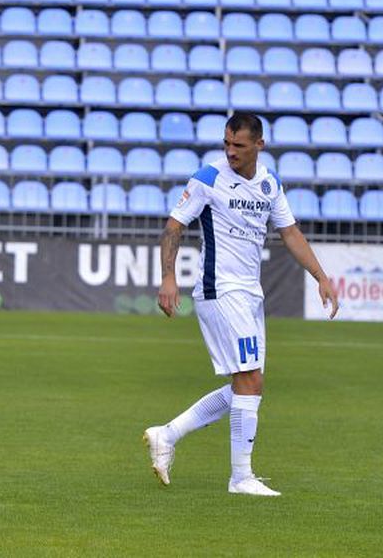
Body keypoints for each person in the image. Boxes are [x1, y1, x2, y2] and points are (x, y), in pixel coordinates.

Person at [145, 112, 339, 497]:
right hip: (220, 289)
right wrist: (168, 278)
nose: (231, 152)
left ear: (259, 145)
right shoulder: (208, 178)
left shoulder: (269, 184)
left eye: (239, 145)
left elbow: (290, 232)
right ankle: (240, 477)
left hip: (250, 292)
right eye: (227, 144)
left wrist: (321, 276)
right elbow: (173, 226)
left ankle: (166, 434)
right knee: (249, 380)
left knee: (248, 385)